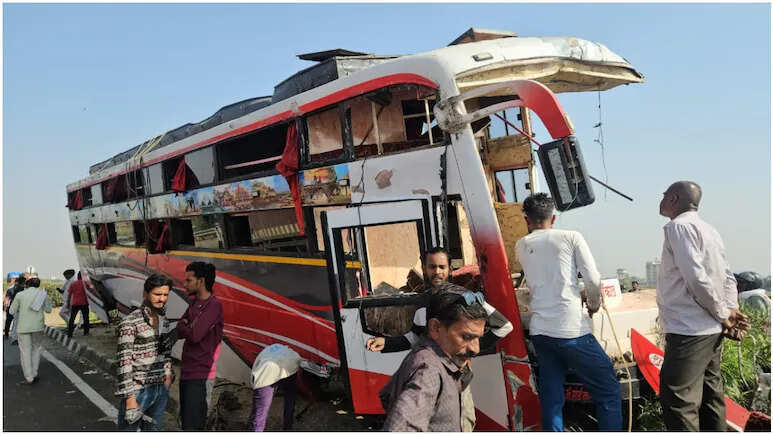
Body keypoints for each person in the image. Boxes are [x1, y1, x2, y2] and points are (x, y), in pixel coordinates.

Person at [515, 193, 621, 431]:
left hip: (541, 333)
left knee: (552, 398)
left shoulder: (521, 245)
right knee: (608, 391)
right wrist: (593, 303)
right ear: (553, 218)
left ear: (526, 220)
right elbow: (592, 278)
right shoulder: (571, 237)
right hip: (571, 331)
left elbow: (544, 281)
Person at [656, 181, 749, 431]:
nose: (661, 200)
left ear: (674, 198)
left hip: (690, 329)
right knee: (710, 396)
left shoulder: (679, 227)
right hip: (710, 328)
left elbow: (696, 278)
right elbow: (727, 276)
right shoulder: (710, 230)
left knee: (678, 399)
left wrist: (723, 314)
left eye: (664, 195)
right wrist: (729, 309)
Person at [365, 247, 512, 354]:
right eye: (432, 267)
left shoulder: (465, 298)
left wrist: (469, 348)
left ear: (450, 269)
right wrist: (386, 342)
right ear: (424, 269)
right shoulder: (422, 301)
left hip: (457, 377)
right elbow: (414, 337)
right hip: (431, 373)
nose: (437, 272)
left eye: (442, 267)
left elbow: (504, 326)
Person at [379, 285, 487, 431]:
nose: (475, 349)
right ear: (435, 328)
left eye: (478, 338)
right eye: (467, 337)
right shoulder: (429, 372)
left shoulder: (440, 362)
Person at [115, 274, 174, 431]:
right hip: (138, 391)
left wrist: (168, 375)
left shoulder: (164, 320)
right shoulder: (130, 322)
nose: (162, 299)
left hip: (160, 389)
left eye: (165, 295)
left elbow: (166, 351)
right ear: (145, 293)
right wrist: (129, 397)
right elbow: (124, 361)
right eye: (157, 294)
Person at [177, 262, 224, 430]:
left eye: (189, 280)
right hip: (187, 371)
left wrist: (186, 326)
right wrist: (186, 326)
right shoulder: (194, 302)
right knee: (186, 424)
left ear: (201, 281)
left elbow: (195, 335)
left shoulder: (214, 305)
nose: (185, 284)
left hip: (201, 375)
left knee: (194, 426)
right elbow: (180, 327)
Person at [9, 277, 52, 385]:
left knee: (25, 352)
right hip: (38, 327)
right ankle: (35, 373)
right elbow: (48, 310)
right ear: (38, 285)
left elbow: (11, 311)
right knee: (36, 349)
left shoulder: (20, 295)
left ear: (27, 285)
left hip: (23, 327)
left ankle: (29, 377)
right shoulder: (43, 294)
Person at [249, 344, 301, 431]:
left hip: (270, 369)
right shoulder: (275, 348)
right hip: (291, 361)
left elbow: (256, 384)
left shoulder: (260, 369)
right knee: (290, 399)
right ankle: (288, 428)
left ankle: (257, 429)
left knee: (261, 412)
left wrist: (258, 399)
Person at [66, 272, 90, 338]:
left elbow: (69, 295)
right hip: (84, 303)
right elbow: (92, 290)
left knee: (72, 319)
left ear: (78, 276)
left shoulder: (73, 284)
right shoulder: (86, 283)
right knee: (86, 318)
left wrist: (68, 303)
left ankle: (70, 334)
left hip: (75, 303)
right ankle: (86, 332)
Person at [4, 275, 25, 340]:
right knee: (14, 322)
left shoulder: (11, 289)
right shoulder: (23, 290)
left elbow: (6, 299)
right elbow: (7, 299)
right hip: (17, 308)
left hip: (11, 308)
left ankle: (7, 334)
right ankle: (10, 335)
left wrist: (5, 307)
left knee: (9, 321)